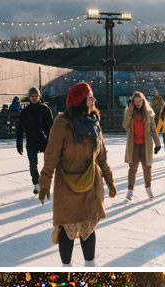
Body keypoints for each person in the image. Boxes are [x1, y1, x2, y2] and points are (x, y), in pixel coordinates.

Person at [39, 82, 117, 267]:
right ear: (80, 101)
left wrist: (110, 180)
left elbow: (102, 155)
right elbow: (51, 157)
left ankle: (90, 265)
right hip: (67, 185)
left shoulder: (93, 122)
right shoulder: (62, 125)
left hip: (91, 184)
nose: (94, 100)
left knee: (88, 227)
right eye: (90, 97)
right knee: (68, 227)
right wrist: (44, 185)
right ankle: (66, 268)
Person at [123, 91, 162, 203]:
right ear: (133, 102)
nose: (138, 103)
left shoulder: (149, 113)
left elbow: (153, 130)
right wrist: (129, 112)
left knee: (147, 167)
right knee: (133, 168)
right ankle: (130, 190)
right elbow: (125, 125)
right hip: (134, 145)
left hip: (146, 145)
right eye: (136, 101)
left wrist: (158, 144)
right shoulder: (129, 112)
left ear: (143, 101)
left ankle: (148, 188)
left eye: (140, 101)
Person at [17, 87, 54, 196]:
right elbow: (20, 128)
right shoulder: (25, 111)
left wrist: (51, 141)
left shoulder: (45, 110)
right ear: (29, 97)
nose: (34, 98)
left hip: (44, 141)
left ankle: (45, 182)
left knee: (49, 163)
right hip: (31, 142)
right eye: (32, 96)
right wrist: (19, 143)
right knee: (33, 165)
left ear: (39, 97)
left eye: (36, 96)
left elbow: (51, 127)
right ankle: (36, 184)